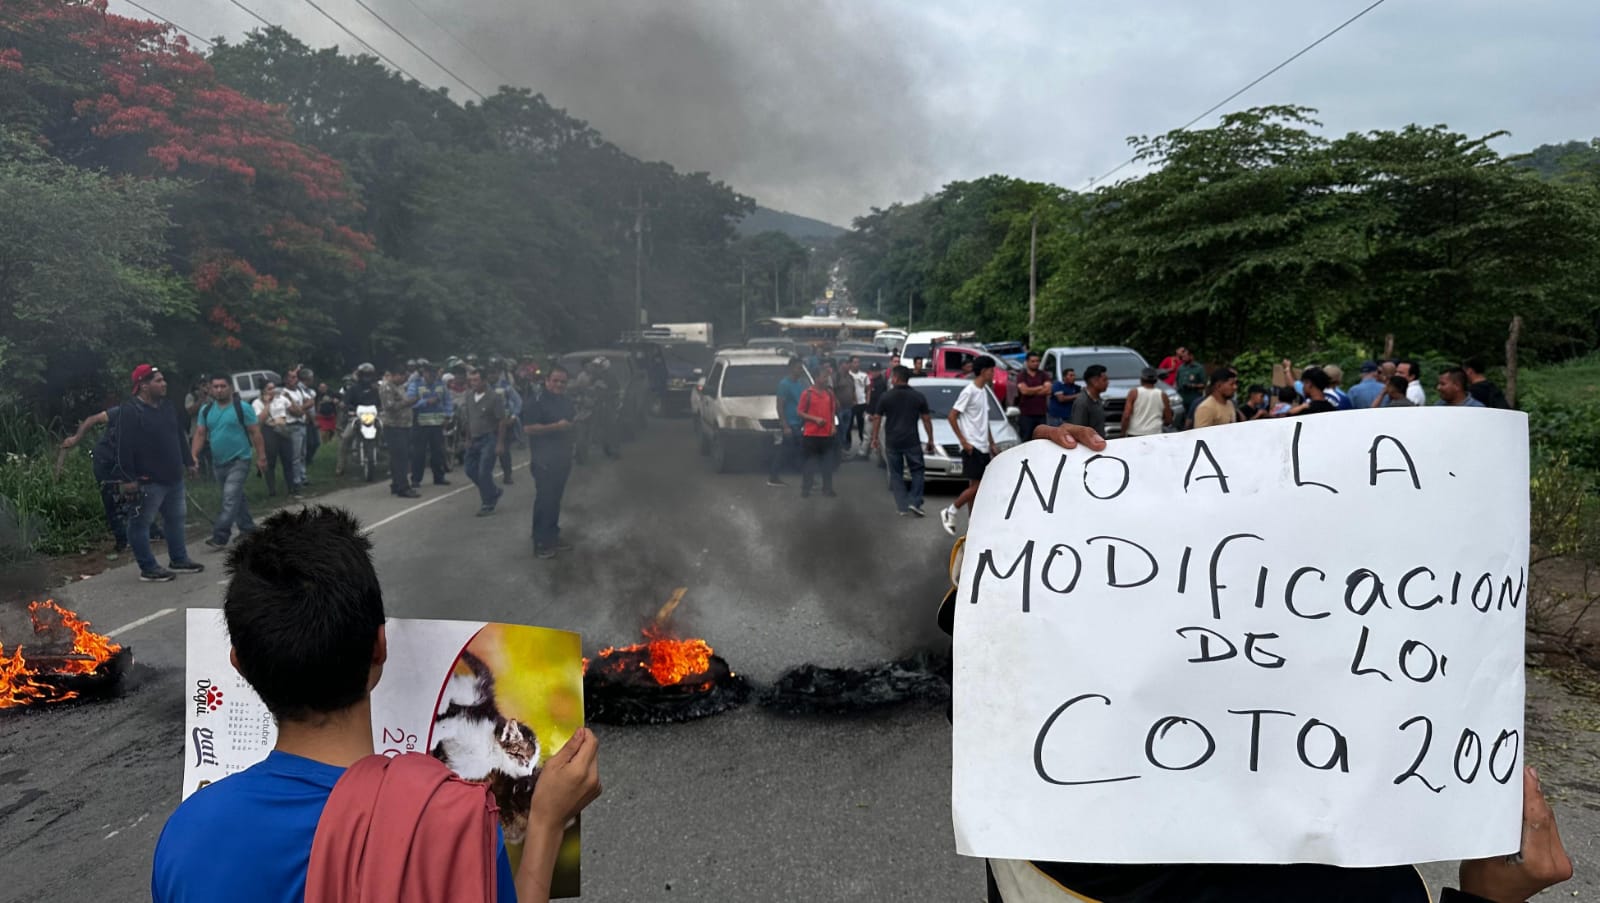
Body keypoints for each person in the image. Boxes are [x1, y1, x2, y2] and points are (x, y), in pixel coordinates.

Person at [150, 506, 602, 903]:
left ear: (240, 667)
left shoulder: (185, 838)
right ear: (379, 648)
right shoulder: (450, 822)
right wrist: (545, 823)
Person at [73, 365, 204, 582]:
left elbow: (178, 436)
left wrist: (189, 462)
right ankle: (148, 567)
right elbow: (124, 448)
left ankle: (179, 559)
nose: (164, 384)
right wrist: (128, 479)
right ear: (143, 385)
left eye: (163, 380)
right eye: (158, 381)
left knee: (175, 519)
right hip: (147, 480)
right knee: (140, 523)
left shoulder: (167, 407)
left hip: (173, 477)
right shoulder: (130, 412)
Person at [191, 374, 268, 551]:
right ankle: (248, 529)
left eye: (223, 386)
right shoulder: (206, 410)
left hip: (240, 459)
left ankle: (220, 536)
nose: (219, 390)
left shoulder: (243, 408)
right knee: (236, 497)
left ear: (230, 388)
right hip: (218, 462)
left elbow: (255, 433)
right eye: (215, 386)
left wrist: (261, 457)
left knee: (229, 497)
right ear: (210, 389)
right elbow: (201, 434)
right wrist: (193, 456)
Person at [940, 356, 998, 536]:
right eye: (991, 370)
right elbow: (952, 416)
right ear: (983, 371)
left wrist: (991, 442)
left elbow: (984, 420)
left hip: (982, 446)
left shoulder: (984, 391)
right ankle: (951, 510)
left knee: (974, 488)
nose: (993, 373)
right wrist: (964, 442)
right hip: (972, 446)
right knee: (978, 487)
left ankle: (972, 526)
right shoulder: (970, 391)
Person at [524, 366, 576, 559]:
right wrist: (556, 427)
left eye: (563, 381)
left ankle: (552, 535)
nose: (559, 385)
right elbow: (529, 428)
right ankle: (540, 541)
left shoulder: (566, 401)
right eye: (555, 381)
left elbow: (570, 424)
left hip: (562, 459)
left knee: (555, 500)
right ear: (547, 381)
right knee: (545, 500)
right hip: (543, 460)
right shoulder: (536, 401)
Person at [871, 365, 936, 517]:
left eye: (892, 377)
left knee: (896, 474)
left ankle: (902, 507)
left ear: (896, 378)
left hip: (893, 442)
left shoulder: (886, 396)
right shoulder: (918, 396)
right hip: (912, 440)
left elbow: (877, 418)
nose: (891, 379)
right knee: (918, 471)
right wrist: (930, 439)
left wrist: (874, 438)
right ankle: (915, 501)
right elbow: (926, 419)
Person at [460, 368, 507, 516]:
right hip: (474, 439)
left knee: (483, 472)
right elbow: (468, 419)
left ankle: (488, 502)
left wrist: (500, 443)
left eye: (476, 380)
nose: (473, 383)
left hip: (489, 438)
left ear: (484, 381)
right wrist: (467, 438)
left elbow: (501, 421)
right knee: (469, 469)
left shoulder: (494, 397)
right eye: (471, 380)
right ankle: (493, 491)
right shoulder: (468, 396)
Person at [407, 359, 453, 489]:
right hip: (420, 424)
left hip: (437, 424)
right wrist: (426, 402)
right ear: (424, 373)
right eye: (429, 373)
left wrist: (448, 415)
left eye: (434, 374)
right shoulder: (415, 384)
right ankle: (416, 479)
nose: (432, 376)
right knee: (418, 453)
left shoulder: (440, 385)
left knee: (438, 452)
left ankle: (439, 477)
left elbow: (448, 400)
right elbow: (409, 401)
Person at [797, 361, 839, 499]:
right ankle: (806, 489)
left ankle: (827, 489)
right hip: (811, 434)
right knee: (810, 464)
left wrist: (832, 425)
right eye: (823, 377)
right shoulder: (807, 394)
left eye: (827, 377)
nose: (826, 379)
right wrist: (814, 419)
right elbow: (800, 412)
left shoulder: (829, 394)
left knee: (827, 464)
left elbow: (832, 411)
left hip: (826, 434)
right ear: (816, 378)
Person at [768, 357, 809, 488]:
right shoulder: (784, 384)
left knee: (796, 450)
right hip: (790, 424)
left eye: (802, 367)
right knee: (788, 450)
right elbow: (780, 406)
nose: (801, 370)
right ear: (791, 368)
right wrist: (785, 425)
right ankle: (774, 476)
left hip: (799, 422)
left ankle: (775, 476)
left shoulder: (800, 384)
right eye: (799, 367)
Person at [378, 364, 417, 498]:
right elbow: (389, 406)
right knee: (400, 458)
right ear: (395, 375)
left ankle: (396, 484)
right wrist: (408, 402)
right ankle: (403, 487)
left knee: (400, 457)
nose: (403, 379)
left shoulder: (399, 387)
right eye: (402, 376)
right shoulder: (386, 387)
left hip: (404, 425)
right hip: (394, 426)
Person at [252, 381, 295, 497]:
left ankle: (291, 488)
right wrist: (267, 403)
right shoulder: (257, 403)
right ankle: (272, 490)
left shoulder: (280, 398)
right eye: (269, 389)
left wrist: (291, 399)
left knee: (288, 459)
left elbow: (295, 411)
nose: (273, 391)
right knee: (271, 462)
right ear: (263, 391)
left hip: (282, 429)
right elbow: (260, 420)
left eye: (273, 388)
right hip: (269, 430)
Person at [489, 361, 525, 482]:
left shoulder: (506, 386)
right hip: (489, 423)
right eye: (489, 373)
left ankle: (507, 474)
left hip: (505, 422)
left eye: (493, 373)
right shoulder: (484, 387)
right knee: (488, 450)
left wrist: (513, 417)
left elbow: (518, 402)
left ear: (498, 373)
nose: (491, 376)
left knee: (504, 450)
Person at [280, 366, 314, 491]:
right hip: (292, 426)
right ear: (286, 380)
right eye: (292, 377)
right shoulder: (284, 394)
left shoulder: (299, 390)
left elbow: (311, 401)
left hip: (302, 425)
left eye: (296, 377)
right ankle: (296, 480)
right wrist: (301, 408)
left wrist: (301, 407)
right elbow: (295, 412)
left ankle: (303, 476)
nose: (296, 379)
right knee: (295, 455)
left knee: (302, 454)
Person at [1121, 366, 1171, 437]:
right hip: (1155, 433)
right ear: (1156, 380)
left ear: (1141, 379)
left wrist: (1122, 432)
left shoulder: (1134, 393)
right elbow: (1168, 419)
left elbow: (1126, 415)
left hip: (1135, 433)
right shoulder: (1163, 395)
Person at [1015, 351, 1051, 442]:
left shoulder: (1044, 375)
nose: (1036, 363)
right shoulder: (1021, 376)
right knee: (1026, 440)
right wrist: (1040, 387)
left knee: (1042, 440)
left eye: (1037, 361)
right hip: (1026, 414)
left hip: (1041, 414)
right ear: (1027, 362)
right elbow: (1024, 391)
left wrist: (1030, 390)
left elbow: (1048, 390)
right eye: (1033, 361)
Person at [1067, 364, 1109, 439]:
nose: (1108, 383)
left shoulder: (1097, 399)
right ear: (1094, 381)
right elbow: (1078, 431)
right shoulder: (1082, 402)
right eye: (1104, 380)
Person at [834, 356, 860, 456]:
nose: (848, 365)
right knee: (839, 429)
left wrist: (855, 400)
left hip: (849, 407)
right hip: (839, 408)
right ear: (841, 365)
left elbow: (853, 390)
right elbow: (832, 390)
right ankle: (838, 450)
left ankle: (842, 448)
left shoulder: (850, 377)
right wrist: (836, 401)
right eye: (846, 363)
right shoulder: (836, 377)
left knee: (845, 429)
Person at [1175, 348, 1206, 429]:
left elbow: (1204, 384)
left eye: (1185, 356)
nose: (1183, 358)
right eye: (1182, 357)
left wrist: (1192, 386)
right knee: (1181, 420)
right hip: (1182, 398)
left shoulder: (1198, 368)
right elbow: (1177, 381)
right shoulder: (1181, 368)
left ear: (1191, 356)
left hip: (1194, 398)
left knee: (1193, 419)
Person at [850, 357, 871, 447]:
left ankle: (863, 444)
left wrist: (867, 401)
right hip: (851, 404)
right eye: (854, 362)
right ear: (851, 363)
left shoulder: (864, 375)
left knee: (861, 425)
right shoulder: (848, 375)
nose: (856, 364)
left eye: (858, 362)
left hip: (862, 403)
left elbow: (868, 389)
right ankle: (848, 444)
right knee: (849, 425)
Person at [314, 381, 340, 445]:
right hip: (321, 416)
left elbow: (340, 398)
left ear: (326, 387)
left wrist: (335, 400)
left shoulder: (331, 393)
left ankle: (329, 442)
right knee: (323, 431)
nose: (322, 389)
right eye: (321, 387)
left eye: (324, 387)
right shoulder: (316, 395)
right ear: (319, 388)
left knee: (332, 431)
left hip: (331, 415)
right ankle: (324, 443)